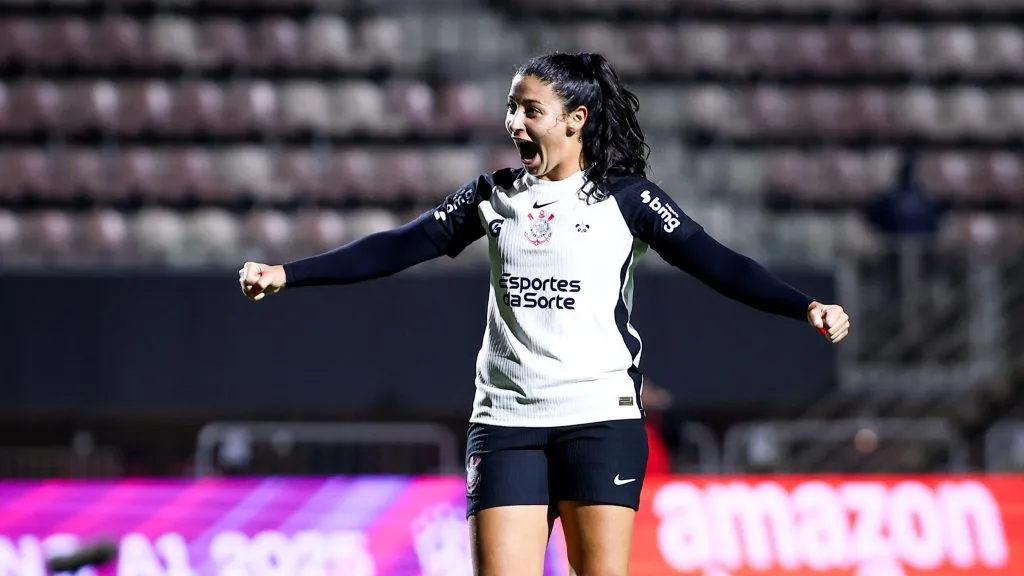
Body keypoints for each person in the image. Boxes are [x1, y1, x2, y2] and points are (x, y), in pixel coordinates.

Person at [239, 51, 851, 576]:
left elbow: (719, 263)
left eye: (531, 111)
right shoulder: (493, 195)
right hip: (505, 423)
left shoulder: (628, 200)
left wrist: (805, 307)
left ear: (575, 119)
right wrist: (289, 273)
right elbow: (401, 243)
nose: (515, 123)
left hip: (598, 418)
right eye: (513, 108)